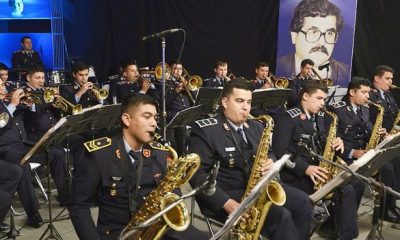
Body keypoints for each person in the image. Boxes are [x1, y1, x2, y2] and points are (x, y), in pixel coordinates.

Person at [68, 94, 208, 239]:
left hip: (156, 228)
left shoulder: (159, 152)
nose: (154, 123)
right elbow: (79, 206)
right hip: (118, 234)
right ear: (127, 119)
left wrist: (172, 203)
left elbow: (172, 188)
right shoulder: (99, 155)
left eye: (155, 118)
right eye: (147, 116)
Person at [189, 79, 312, 240]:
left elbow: (270, 153)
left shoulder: (256, 126)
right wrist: (227, 202)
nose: (246, 107)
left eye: (248, 102)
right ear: (225, 102)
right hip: (227, 195)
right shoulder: (206, 130)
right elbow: (197, 176)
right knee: (281, 216)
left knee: (303, 202)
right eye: (239, 101)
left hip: (257, 189)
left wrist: (270, 161)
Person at [272, 80, 363, 239]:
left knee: (355, 183)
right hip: (295, 175)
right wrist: (306, 168)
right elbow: (279, 151)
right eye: (319, 98)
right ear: (306, 96)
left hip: (318, 171)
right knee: (345, 190)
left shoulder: (324, 117)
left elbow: (326, 144)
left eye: (324, 99)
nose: (323, 103)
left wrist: (338, 143)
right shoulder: (288, 117)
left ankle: (338, 231)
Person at [23, 66, 68, 205]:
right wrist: (47, 102)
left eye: (43, 78)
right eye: (37, 78)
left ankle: (77, 191)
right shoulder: (25, 94)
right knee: (58, 153)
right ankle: (65, 197)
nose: (41, 81)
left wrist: (56, 106)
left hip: (54, 134)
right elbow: (32, 115)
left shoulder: (46, 91)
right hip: (36, 139)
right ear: (28, 78)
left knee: (80, 142)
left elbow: (56, 115)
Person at [0, 81, 43, 228]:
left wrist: (31, 106)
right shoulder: (9, 104)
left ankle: (68, 198)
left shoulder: (9, 102)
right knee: (22, 165)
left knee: (55, 152)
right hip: (6, 149)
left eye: (2, 85)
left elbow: (33, 123)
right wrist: (12, 105)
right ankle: (33, 213)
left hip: (24, 144)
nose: (2, 88)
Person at [277, 0, 349, 86]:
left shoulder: (346, 72)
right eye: (314, 32)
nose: (322, 42)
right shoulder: (279, 66)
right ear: (294, 36)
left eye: (329, 33)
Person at [368, 66, 400, 221]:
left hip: (387, 137)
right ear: (377, 79)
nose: (391, 82)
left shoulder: (388, 95)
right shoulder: (370, 95)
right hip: (374, 141)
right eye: (387, 78)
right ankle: (385, 209)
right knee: (389, 165)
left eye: (391, 79)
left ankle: (392, 203)